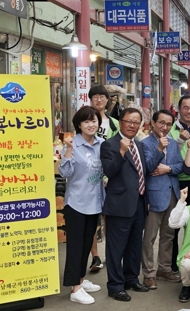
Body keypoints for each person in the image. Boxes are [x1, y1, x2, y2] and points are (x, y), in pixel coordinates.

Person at [100, 108, 150, 301]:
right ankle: (115, 285)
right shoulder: (109, 145)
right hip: (119, 204)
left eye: (136, 122)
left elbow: (142, 172)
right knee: (116, 248)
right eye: (128, 121)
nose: (132, 125)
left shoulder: (138, 143)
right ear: (120, 122)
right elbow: (110, 171)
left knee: (134, 245)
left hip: (139, 202)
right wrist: (121, 151)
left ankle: (131, 279)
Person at [141, 109, 190, 290]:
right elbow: (148, 167)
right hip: (154, 195)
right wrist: (159, 149)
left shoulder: (172, 143)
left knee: (169, 235)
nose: (165, 127)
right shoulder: (145, 144)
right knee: (149, 237)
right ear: (153, 123)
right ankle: (148, 273)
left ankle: (163, 269)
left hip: (173, 193)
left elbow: (180, 166)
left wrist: (167, 169)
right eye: (161, 123)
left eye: (168, 124)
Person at [59, 106, 104, 305]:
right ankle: (74, 288)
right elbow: (65, 173)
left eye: (94, 121)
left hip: (94, 202)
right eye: (86, 121)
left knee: (86, 245)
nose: (91, 124)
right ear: (79, 125)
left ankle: (80, 280)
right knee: (76, 246)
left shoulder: (102, 144)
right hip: (76, 203)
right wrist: (68, 149)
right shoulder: (72, 144)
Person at [88, 84, 120, 273]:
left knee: (109, 218)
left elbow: (117, 150)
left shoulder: (114, 124)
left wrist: (109, 175)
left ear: (108, 100)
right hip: (90, 176)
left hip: (109, 176)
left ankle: (110, 253)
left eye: (102, 96)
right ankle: (95, 256)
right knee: (92, 218)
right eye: (95, 96)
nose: (99, 99)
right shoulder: (84, 119)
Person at [169, 95, 190, 205]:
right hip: (178, 180)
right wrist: (180, 140)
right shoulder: (170, 129)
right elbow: (168, 155)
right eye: (185, 108)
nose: (189, 111)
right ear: (179, 109)